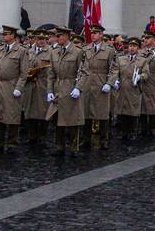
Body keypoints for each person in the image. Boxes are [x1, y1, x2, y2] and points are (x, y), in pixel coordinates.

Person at [0, 25, 28, 152]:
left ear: (13, 36)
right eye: (4, 34)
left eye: (6, 34)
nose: (4, 36)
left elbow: (24, 72)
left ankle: (12, 143)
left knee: (12, 116)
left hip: (12, 86)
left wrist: (19, 88)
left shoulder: (21, 51)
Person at [47, 26, 88, 157]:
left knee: (72, 121)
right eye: (56, 36)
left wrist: (78, 88)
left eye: (59, 36)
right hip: (58, 88)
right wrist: (49, 90)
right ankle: (59, 147)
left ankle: (74, 148)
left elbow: (83, 72)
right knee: (58, 120)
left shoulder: (77, 52)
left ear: (66, 37)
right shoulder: (54, 52)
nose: (57, 38)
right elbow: (51, 74)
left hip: (71, 87)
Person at [81, 25, 118, 150]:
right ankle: (86, 139)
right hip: (87, 83)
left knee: (102, 114)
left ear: (101, 35)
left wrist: (109, 83)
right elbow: (81, 67)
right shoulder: (86, 49)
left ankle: (104, 139)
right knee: (86, 113)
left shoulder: (109, 50)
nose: (93, 35)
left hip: (101, 83)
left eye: (96, 33)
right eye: (92, 33)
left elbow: (114, 69)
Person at [23, 30, 53, 147]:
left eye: (44, 39)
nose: (41, 41)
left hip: (43, 85)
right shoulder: (28, 51)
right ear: (35, 39)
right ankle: (32, 136)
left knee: (43, 112)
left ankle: (42, 136)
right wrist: (28, 75)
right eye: (39, 39)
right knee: (29, 111)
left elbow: (51, 70)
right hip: (30, 85)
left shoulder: (51, 52)